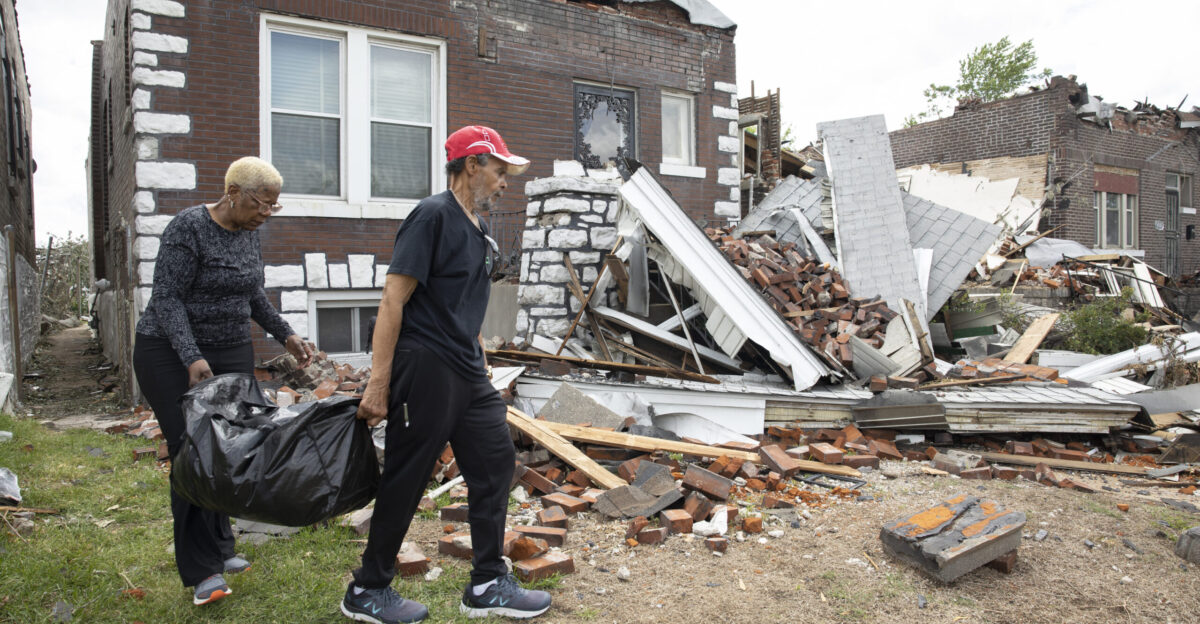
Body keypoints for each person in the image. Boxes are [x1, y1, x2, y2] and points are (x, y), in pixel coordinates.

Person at [340, 126, 551, 624]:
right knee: (408, 475)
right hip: (426, 365)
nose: (506, 183)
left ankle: (485, 582)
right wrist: (378, 382)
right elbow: (394, 298)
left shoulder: (474, 225)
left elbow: (458, 299)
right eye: (500, 171)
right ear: (472, 165)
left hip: (465, 367)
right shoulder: (432, 215)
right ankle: (368, 589)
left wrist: (477, 347)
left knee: (496, 461)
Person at [133, 156, 314, 606]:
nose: (267, 213)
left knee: (230, 447)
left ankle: (221, 545)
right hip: (169, 350)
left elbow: (253, 294)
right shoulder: (187, 228)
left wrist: (286, 334)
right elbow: (168, 298)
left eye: (274, 206)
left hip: (230, 346)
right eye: (261, 203)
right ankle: (202, 571)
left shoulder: (250, 234)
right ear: (232, 192)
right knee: (193, 451)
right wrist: (191, 355)